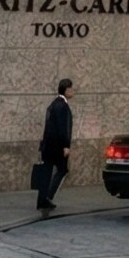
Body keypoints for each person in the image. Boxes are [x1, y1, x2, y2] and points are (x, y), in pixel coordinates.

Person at [36, 79, 74, 219]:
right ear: (67, 89)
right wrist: (66, 145)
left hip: (48, 145)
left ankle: (42, 200)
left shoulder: (53, 105)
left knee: (46, 172)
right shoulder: (62, 106)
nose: (73, 91)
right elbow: (63, 127)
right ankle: (47, 197)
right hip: (57, 146)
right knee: (62, 169)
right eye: (72, 89)